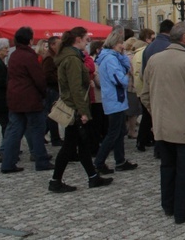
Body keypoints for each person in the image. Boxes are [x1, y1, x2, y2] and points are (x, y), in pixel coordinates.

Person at [142, 21, 185, 224]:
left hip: (163, 125)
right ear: (184, 38)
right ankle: (182, 210)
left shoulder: (154, 60)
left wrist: (156, 113)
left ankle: (169, 204)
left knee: (167, 166)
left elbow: (145, 94)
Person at [49, 27, 113, 192]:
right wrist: (83, 111)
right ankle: (55, 181)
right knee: (70, 146)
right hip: (75, 107)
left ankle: (92, 177)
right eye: (86, 39)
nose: (87, 43)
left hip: (76, 106)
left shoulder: (73, 57)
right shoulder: (72, 59)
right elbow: (76, 88)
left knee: (82, 143)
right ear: (77, 40)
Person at [1, 27, 53, 173]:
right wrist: (43, 93)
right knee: (37, 130)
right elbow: (39, 78)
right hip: (30, 98)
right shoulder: (29, 56)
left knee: (14, 131)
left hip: (15, 97)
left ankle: (7, 163)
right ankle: (41, 161)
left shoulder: (14, 55)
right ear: (30, 40)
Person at [94, 29, 138, 174]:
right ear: (114, 44)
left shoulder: (112, 57)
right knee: (113, 133)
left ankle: (120, 160)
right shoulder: (111, 59)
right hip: (115, 99)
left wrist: (123, 55)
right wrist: (125, 77)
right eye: (120, 43)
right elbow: (120, 79)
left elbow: (126, 67)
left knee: (119, 132)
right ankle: (99, 162)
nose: (123, 46)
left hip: (116, 99)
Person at [138, 19, 174, 152]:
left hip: (151, 86)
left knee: (152, 118)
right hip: (165, 87)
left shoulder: (149, 47)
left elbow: (143, 72)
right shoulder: (168, 46)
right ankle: (161, 148)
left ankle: (147, 143)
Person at [41, 36, 63, 146]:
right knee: (52, 114)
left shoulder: (54, 56)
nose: (61, 45)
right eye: (58, 44)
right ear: (52, 45)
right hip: (51, 89)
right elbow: (47, 75)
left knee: (52, 114)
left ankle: (48, 136)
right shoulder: (49, 57)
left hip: (53, 88)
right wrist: (60, 78)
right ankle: (54, 138)